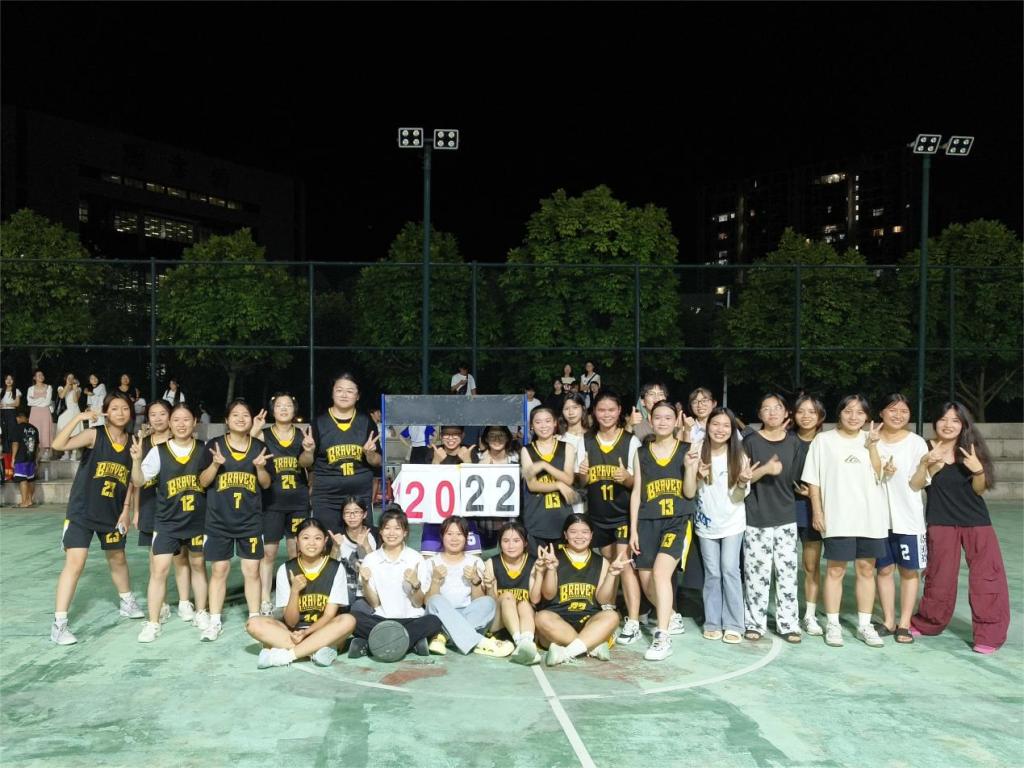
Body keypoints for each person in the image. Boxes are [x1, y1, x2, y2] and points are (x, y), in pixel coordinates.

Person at [911, 403, 1008, 654]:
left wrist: (978, 469)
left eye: (955, 420)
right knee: (939, 576)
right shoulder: (924, 448)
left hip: (977, 521)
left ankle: (989, 635)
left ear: (963, 424)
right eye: (943, 419)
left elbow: (979, 489)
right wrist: (927, 465)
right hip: (940, 520)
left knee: (987, 578)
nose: (948, 425)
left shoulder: (971, 448)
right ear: (935, 422)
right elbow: (916, 485)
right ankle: (929, 621)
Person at [50, 392, 144, 645]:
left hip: (112, 513)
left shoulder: (133, 442)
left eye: (125, 408)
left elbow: (134, 481)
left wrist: (126, 510)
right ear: (106, 412)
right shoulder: (95, 435)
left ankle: (126, 601)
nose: (120, 413)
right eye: (114, 408)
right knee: (76, 562)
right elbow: (58, 445)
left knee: (118, 558)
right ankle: (59, 624)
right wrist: (79, 417)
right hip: (82, 511)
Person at [801, 394, 888, 648]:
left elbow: (880, 473)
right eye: (848, 411)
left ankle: (864, 625)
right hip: (838, 517)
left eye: (860, 412)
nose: (853, 417)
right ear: (839, 413)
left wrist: (872, 446)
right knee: (835, 570)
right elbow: (813, 480)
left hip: (870, 518)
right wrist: (818, 512)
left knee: (866, 570)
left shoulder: (873, 438)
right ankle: (833, 624)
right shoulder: (823, 441)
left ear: (867, 417)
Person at [130, 402, 212, 642]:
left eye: (186, 419)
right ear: (170, 423)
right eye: (176, 420)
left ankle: (201, 612)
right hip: (167, 521)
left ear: (195, 422)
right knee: (159, 570)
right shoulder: (158, 451)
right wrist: (135, 461)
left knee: (198, 566)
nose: (181, 424)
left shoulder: (204, 449)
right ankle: (153, 622)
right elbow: (138, 481)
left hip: (198, 520)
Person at [198, 399, 272, 642]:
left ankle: (255, 618)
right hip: (218, 520)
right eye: (235, 415)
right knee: (219, 569)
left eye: (245, 415)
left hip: (250, 520)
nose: (241, 419)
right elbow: (202, 482)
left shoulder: (259, 447)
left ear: (251, 420)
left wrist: (260, 468)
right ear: (227, 420)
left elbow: (266, 484)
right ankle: (214, 620)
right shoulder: (214, 445)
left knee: (252, 570)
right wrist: (215, 465)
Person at [577, 391, 645, 645]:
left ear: (619, 412)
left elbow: (638, 483)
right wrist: (583, 475)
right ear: (594, 412)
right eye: (601, 410)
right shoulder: (585, 441)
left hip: (623, 514)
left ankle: (634, 621)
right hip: (598, 515)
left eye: (611, 410)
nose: (606, 414)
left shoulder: (630, 441)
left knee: (623, 564)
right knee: (609, 565)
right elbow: (581, 482)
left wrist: (626, 478)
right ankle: (611, 613)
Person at [246, 518, 357, 668]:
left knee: (348, 620)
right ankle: (315, 651)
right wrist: (294, 591)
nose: (312, 543)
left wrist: (307, 633)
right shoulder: (286, 569)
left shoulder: (336, 568)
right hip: (293, 633)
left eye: (317, 538)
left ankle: (286, 656)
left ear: (325, 541)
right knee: (254, 623)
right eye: (305, 538)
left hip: (324, 630)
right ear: (297, 541)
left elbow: (329, 615)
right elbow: (291, 622)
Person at [629, 401, 692, 660]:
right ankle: (672, 616)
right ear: (650, 421)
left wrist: (691, 468)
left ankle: (662, 636)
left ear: (676, 421)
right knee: (647, 583)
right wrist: (633, 529)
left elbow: (690, 492)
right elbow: (636, 492)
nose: (663, 422)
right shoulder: (641, 453)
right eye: (658, 417)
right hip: (647, 521)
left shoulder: (687, 449)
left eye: (668, 417)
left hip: (676, 520)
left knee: (660, 573)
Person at [741, 394, 803, 643]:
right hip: (756, 517)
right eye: (766, 408)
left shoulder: (794, 442)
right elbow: (744, 478)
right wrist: (765, 470)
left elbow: (796, 478)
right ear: (759, 414)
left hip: (786, 516)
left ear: (786, 412)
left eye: (777, 408)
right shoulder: (750, 442)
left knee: (787, 573)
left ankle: (788, 623)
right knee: (756, 574)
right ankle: (754, 623)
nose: (772, 412)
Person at [349, 506, 445, 659]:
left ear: (405, 532)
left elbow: (418, 604)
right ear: (381, 531)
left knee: (434, 621)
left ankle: (372, 643)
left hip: (411, 620)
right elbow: (374, 604)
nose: (391, 533)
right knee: (353, 618)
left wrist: (415, 584)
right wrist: (365, 583)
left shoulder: (416, 558)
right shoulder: (371, 559)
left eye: (397, 528)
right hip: (381, 620)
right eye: (387, 528)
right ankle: (411, 643)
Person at [690, 407, 749, 646]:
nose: (720, 429)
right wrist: (696, 475)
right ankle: (713, 622)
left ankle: (734, 624)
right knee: (712, 573)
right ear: (707, 426)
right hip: (705, 523)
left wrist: (742, 483)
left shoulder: (739, 455)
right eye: (716, 424)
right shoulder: (697, 450)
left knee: (730, 570)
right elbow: (689, 491)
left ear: (732, 430)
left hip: (733, 523)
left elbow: (737, 498)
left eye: (726, 425)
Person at [873, 394, 930, 644]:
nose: (898, 415)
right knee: (884, 569)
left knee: (909, 571)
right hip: (877, 519)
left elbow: (918, 484)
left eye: (904, 411)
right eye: (892, 410)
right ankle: (888, 620)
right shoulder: (870, 440)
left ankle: (904, 623)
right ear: (881, 413)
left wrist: (924, 466)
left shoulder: (916, 443)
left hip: (908, 519)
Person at [535, 513, 627, 666]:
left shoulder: (602, 562)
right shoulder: (553, 558)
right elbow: (548, 595)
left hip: (589, 620)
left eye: (585, 532)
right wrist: (551, 569)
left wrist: (611, 574)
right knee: (541, 617)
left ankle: (566, 652)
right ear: (565, 535)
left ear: (591, 535)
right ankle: (591, 645)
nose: (579, 536)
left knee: (612, 616)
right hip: (558, 619)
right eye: (573, 532)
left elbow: (603, 599)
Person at [251, 393, 315, 611]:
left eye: (288, 405)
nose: (284, 408)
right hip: (272, 501)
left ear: (294, 410)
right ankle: (264, 599)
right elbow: (247, 449)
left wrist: (308, 450)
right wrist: (254, 430)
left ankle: (296, 596)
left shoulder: (301, 435)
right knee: (268, 553)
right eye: (279, 405)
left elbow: (305, 463)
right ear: (273, 410)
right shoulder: (264, 434)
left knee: (296, 550)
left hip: (298, 501)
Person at [133, 400, 194, 626]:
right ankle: (163, 603)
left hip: (178, 505)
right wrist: (135, 510)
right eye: (153, 414)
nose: (158, 419)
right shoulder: (143, 442)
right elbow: (135, 481)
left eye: (162, 414)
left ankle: (185, 601)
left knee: (181, 556)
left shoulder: (180, 441)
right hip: (150, 504)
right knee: (156, 559)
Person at [418, 516, 514, 658]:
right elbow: (427, 602)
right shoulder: (430, 563)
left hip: (469, 613)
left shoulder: (476, 562)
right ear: (442, 536)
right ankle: (481, 642)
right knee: (435, 600)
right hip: (440, 616)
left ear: (466, 537)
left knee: (488, 602)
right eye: (449, 534)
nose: (454, 538)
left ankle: (443, 636)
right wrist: (436, 581)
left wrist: (475, 581)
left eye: (459, 534)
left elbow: (478, 601)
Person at [309, 373, 380, 536]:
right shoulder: (319, 423)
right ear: (332, 393)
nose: (344, 394)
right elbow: (305, 463)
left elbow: (377, 461)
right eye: (339, 390)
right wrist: (308, 451)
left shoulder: (366, 422)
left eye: (350, 391)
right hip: (327, 497)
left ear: (357, 396)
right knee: (327, 542)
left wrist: (370, 454)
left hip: (358, 495)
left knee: (362, 543)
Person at [483, 521, 543, 664]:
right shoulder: (491, 563)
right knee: (507, 597)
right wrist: (490, 587)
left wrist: (540, 573)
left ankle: (526, 642)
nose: (511, 546)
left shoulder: (534, 563)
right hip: (498, 623)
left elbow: (535, 600)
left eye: (516, 541)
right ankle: (520, 643)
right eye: (506, 541)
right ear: (500, 543)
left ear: (525, 543)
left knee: (524, 604)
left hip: (525, 623)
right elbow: (491, 604)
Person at [792, 394, 826, 636]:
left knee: (811, 564)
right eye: (801, 411)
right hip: (784, 508)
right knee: (781, 565)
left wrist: (815, 493)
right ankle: (786, 611)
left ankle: (810, 615)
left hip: (812, 509)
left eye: (812, 412)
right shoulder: (787, 440)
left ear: (820, 417)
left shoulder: (826, 443)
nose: (806, 416)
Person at [520, 407, 577, 552]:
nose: (543, 426)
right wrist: (558, 485)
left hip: (561, 518)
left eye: (547, 421)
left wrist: (544, 465)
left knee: (560, 564)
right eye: (538, 422)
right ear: (531, 425)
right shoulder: (527, 450)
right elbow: (532, 485)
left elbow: (568, 479)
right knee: (537, 564)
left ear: (555, 423)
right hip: (536, 519)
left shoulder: (567, 447)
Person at [420, 425, 481, 556]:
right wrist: (436, 461)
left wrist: (467, 461)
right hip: (436, 515)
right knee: (429, 559)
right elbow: (427, 483)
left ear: (463, 435)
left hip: (464, 515)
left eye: (455, 434)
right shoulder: (434, 452)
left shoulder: (470, 451)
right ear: (441, 436)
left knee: (473, 560)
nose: (451, 438)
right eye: (446, 434)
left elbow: (475, 485)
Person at [470, 425, 520, 548]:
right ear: (486, 439)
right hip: (483, 523)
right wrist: (481, 465)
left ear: (508, 437)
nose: (497, 439)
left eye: (501, 435)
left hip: (510, 521)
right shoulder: (476, 457)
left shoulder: (516, 458)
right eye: (492, 436)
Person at [328, 496, 379, 615]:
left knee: (360, 610)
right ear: (342, 515)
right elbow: (328, 571)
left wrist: (367, 546)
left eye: (356, 512)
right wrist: (335, 548)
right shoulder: (336, 536)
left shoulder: (375, 534)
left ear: (364, 514)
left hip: (367, 591)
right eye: (347, 513)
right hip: (342, 591)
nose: (352, 516)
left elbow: (380, 568)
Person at [10, 407, 39, 507]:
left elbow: (15, 443)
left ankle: (24, 502)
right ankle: (29, 500)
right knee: (30, 479)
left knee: (22, 479)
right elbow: (37, 446)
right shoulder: (34, 429)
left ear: (19, 417)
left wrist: (13, 458)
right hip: (31, 457)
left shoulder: (17, 428)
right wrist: (36, 458)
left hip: (21, 457)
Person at [27, 370, 53, 461]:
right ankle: (34, 453)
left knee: (45, 430)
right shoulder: (31, 389)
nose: (41, 376)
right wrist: (42, 399)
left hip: (45, 412)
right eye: (38, 375)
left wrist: (36, 401)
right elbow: (30, 402)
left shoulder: (48, 387)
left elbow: (47, 402)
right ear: (34, 377)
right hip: (34, 413)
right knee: (34, 431)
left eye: (42, 374)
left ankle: (46, 452)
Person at [55, 373, 83, 460]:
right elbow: (62, 396)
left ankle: (74, 453)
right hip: (65, 412)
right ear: (65, 378)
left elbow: (75, 400)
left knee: (75, 432)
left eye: (72, 377)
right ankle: (66, 453)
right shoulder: (61, 387)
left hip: (75, 411)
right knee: (64, 432)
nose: (71, 379)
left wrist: (75, 389)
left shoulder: (78, 389)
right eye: (69, 377)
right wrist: (67, 385)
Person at [2, 374, 23, 457]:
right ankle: (5, 451)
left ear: (13, 381)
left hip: (11, 412)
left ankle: (12, 451)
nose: (9, 381)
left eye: (11, 379)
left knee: (12, 430)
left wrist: (6, 405)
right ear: (4, 381)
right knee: (4, 431)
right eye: (7, 379)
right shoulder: (1, 390)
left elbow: (17, 403)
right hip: (2, 412)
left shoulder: (16, 391)